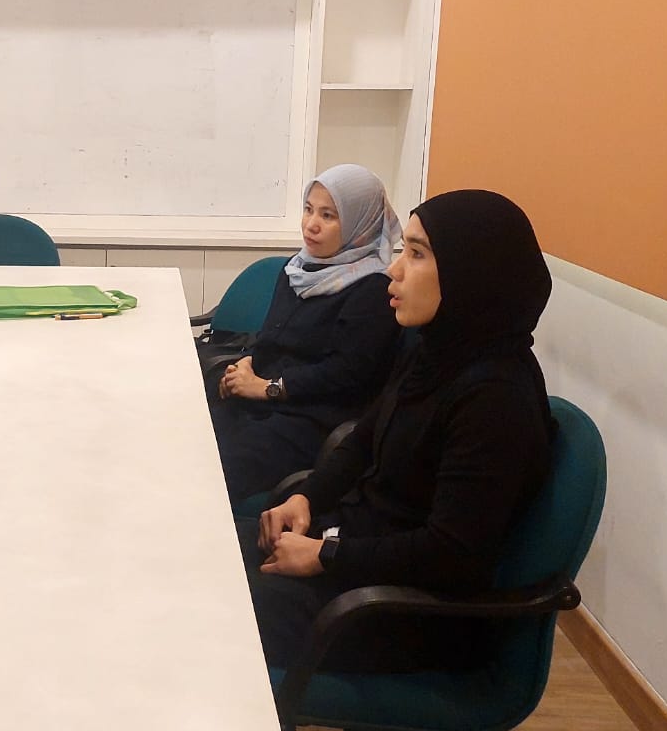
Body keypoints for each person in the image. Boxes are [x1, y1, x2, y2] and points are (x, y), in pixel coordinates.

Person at [238, 188, 555, 676]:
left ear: (471, 272)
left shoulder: (495, 398)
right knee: (208, 547)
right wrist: (307, 498)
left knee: (215, 609)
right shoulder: (437, 351)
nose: (394, 269)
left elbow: (452, 554)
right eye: (403, 249)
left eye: (418, 254)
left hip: (401, 612)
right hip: (361, 557)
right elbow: (364, 439)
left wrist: (327, 555)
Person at [208, 163, 403, 503]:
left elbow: (347, 375)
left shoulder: (373, 289)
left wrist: (268, 387)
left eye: (328, 216)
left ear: (360, 224)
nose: (311, 224)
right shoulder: (296, 269)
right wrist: (245, 366)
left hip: (307, 420)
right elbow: (274, 339)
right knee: (184, 437)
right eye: (309, 209)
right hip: (259, 404)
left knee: (210, 473)